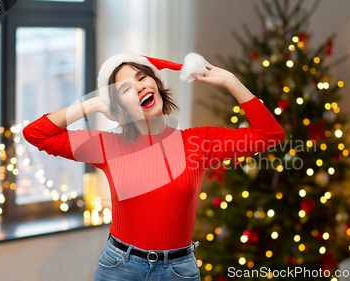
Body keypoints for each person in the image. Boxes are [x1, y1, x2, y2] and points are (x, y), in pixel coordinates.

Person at [22, 51, 285, 281]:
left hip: (178, 272)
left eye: (141, 77)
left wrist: (230, 81)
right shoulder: (108, 146)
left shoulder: (198, 143)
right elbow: (36, 134)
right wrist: (94, 103)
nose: (138, 88)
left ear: (157, 84)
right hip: (119, 267)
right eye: (125, 89)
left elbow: (269, 135)